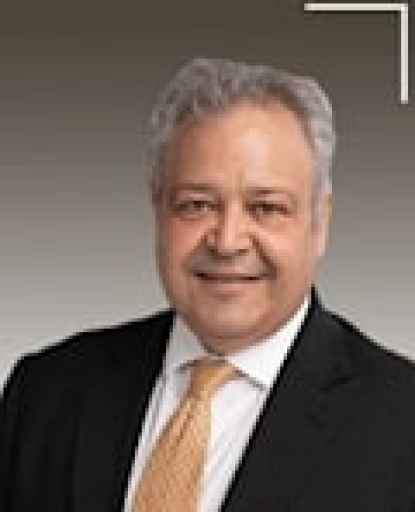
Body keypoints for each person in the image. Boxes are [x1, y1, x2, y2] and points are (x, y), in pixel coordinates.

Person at [1, 58, 415, 512]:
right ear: (158, 209)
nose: (227, 241)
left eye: (266, 208)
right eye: (197, 205)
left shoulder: (402, 424)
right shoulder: (47, 393)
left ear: (320, 222)